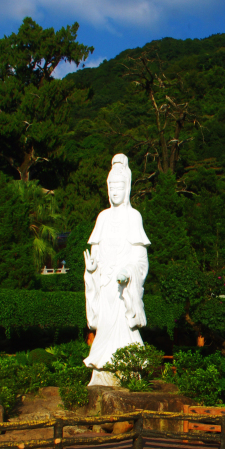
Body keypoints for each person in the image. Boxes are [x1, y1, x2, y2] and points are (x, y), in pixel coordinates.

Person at [82, 154, 151, 386]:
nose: (114, 191)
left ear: (127, 187)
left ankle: (129, 370)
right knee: (104, 330)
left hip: (124, 290)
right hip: (105, 287)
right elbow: (95, 254)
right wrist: (91, 270)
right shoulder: (102, 218)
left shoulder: (134, 217)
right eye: (111, 186)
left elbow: (141, 259)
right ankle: (101, 372)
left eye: (119, 186)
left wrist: (128, 272)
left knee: (124, 331)